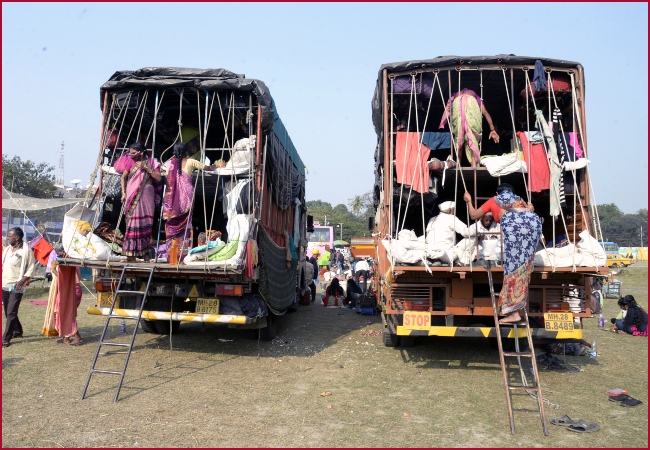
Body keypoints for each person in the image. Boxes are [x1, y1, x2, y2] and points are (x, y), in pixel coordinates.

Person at [464, 183, 541, 324]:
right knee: (524, 267)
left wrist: (468, 200)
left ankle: (514, 313)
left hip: (515, 230)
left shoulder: (494, 200)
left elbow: (474, 215)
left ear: (497, 192)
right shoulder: (519, 200)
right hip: (534, 225)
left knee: (512, 269)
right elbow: (529, 210)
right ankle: (516, 310)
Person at [162, 142, 216, 258]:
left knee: (171, 228)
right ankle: (182, 255)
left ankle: (172, 256)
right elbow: (208, 168)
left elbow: (160, 174)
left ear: (174, 152)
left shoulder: (167, 164)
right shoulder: (191, 162)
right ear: (186, 151)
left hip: (171, 204)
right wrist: (217, 165)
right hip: (187, 199)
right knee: (185, 227)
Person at [120, 142, 162, 261]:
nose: (131, 155)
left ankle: (145, 254)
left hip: (146, 195)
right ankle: (131, 256)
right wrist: (123, 193)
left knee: (145, 224)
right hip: (131, 195)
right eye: (130, 153)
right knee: (132, 223)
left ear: (142, 152)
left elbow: (158, 178)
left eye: (134, 153)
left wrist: (146, 168)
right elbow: (123, 177)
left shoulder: (153, 163)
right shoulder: (130, 163)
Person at [438, 89, 500, 167]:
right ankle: (473, 164)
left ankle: (458, 163)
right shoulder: (475, 96)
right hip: (471, 103)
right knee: (471, 136)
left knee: (459, 135)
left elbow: (449, 110)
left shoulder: (455, 97)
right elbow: (485, 112)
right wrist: (492, 129)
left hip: (457, 103)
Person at [2, 227, 36, 347]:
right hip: (4, 284)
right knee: (8, 311)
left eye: (9, 235)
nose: (7, 237)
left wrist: (22, 281)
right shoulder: (7, 250)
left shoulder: (26, 251)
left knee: (11, 312)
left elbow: (31, 268)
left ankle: (6, 338)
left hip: (17, 286)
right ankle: (18, 330)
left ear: (17, 237)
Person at [425, 201, 470, 266]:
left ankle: (437, 260)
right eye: (454, 210)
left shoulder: (432, 219)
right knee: (472, 238)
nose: (454, 212)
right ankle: (458, 262)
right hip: (446, 254)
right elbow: (466, 232)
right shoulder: (451, 218)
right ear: (449, 211)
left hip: (432, 253)